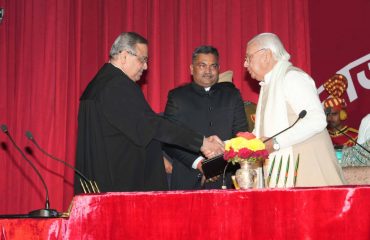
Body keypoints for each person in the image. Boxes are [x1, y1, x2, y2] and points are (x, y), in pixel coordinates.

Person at [74, 32, 224, 193]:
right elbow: (153, 125)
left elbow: (133, 130)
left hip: (99, 183)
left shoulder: (98, 84)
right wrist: (201, 142)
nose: (145, 67)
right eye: (143, 60)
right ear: (124, 56)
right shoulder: (117, 85)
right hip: (120, 187)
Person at [244, 32, 345, 187]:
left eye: (248, 58)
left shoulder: (292, 77)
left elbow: (317, 119)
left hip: (307, 171)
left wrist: (275, 143)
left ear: (266, 55)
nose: (245, 64)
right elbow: (262, 135)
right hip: (288, 172)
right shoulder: (268, 84)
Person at [163, 46, 248, 190]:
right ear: (191, 68)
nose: (208, 71)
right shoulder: (177, 97)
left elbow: (241, 135)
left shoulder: (232, 95)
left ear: (218, 68)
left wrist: (216, 165)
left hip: (225, 178)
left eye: (213, 66)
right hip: (187, 179)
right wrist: (200, 163)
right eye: (202, 65)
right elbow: (169, 140)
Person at [322, 74, 358, 148]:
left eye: (334, 114)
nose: (330, 118)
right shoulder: (321, 137)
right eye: (327, 114)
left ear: (342, 114)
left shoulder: (355, 137)